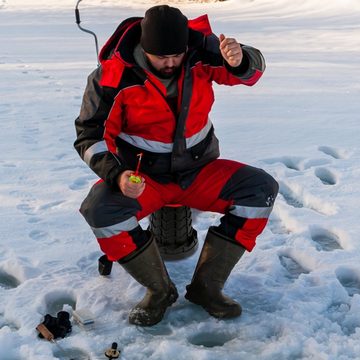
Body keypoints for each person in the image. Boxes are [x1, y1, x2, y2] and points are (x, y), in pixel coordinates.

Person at [74, 5, 278, 326]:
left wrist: (241, 60)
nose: (170, 63)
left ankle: (207, 287)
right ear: (143, 46)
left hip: (199, 171)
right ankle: (159, 290)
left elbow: (251, 73)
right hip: (142, 179)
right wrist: (117, 174)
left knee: (260, 190)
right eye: (161, 56)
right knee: (99, 210)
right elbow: (90, 135)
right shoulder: (112, 77)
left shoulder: (199, 52)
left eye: (176, 55)